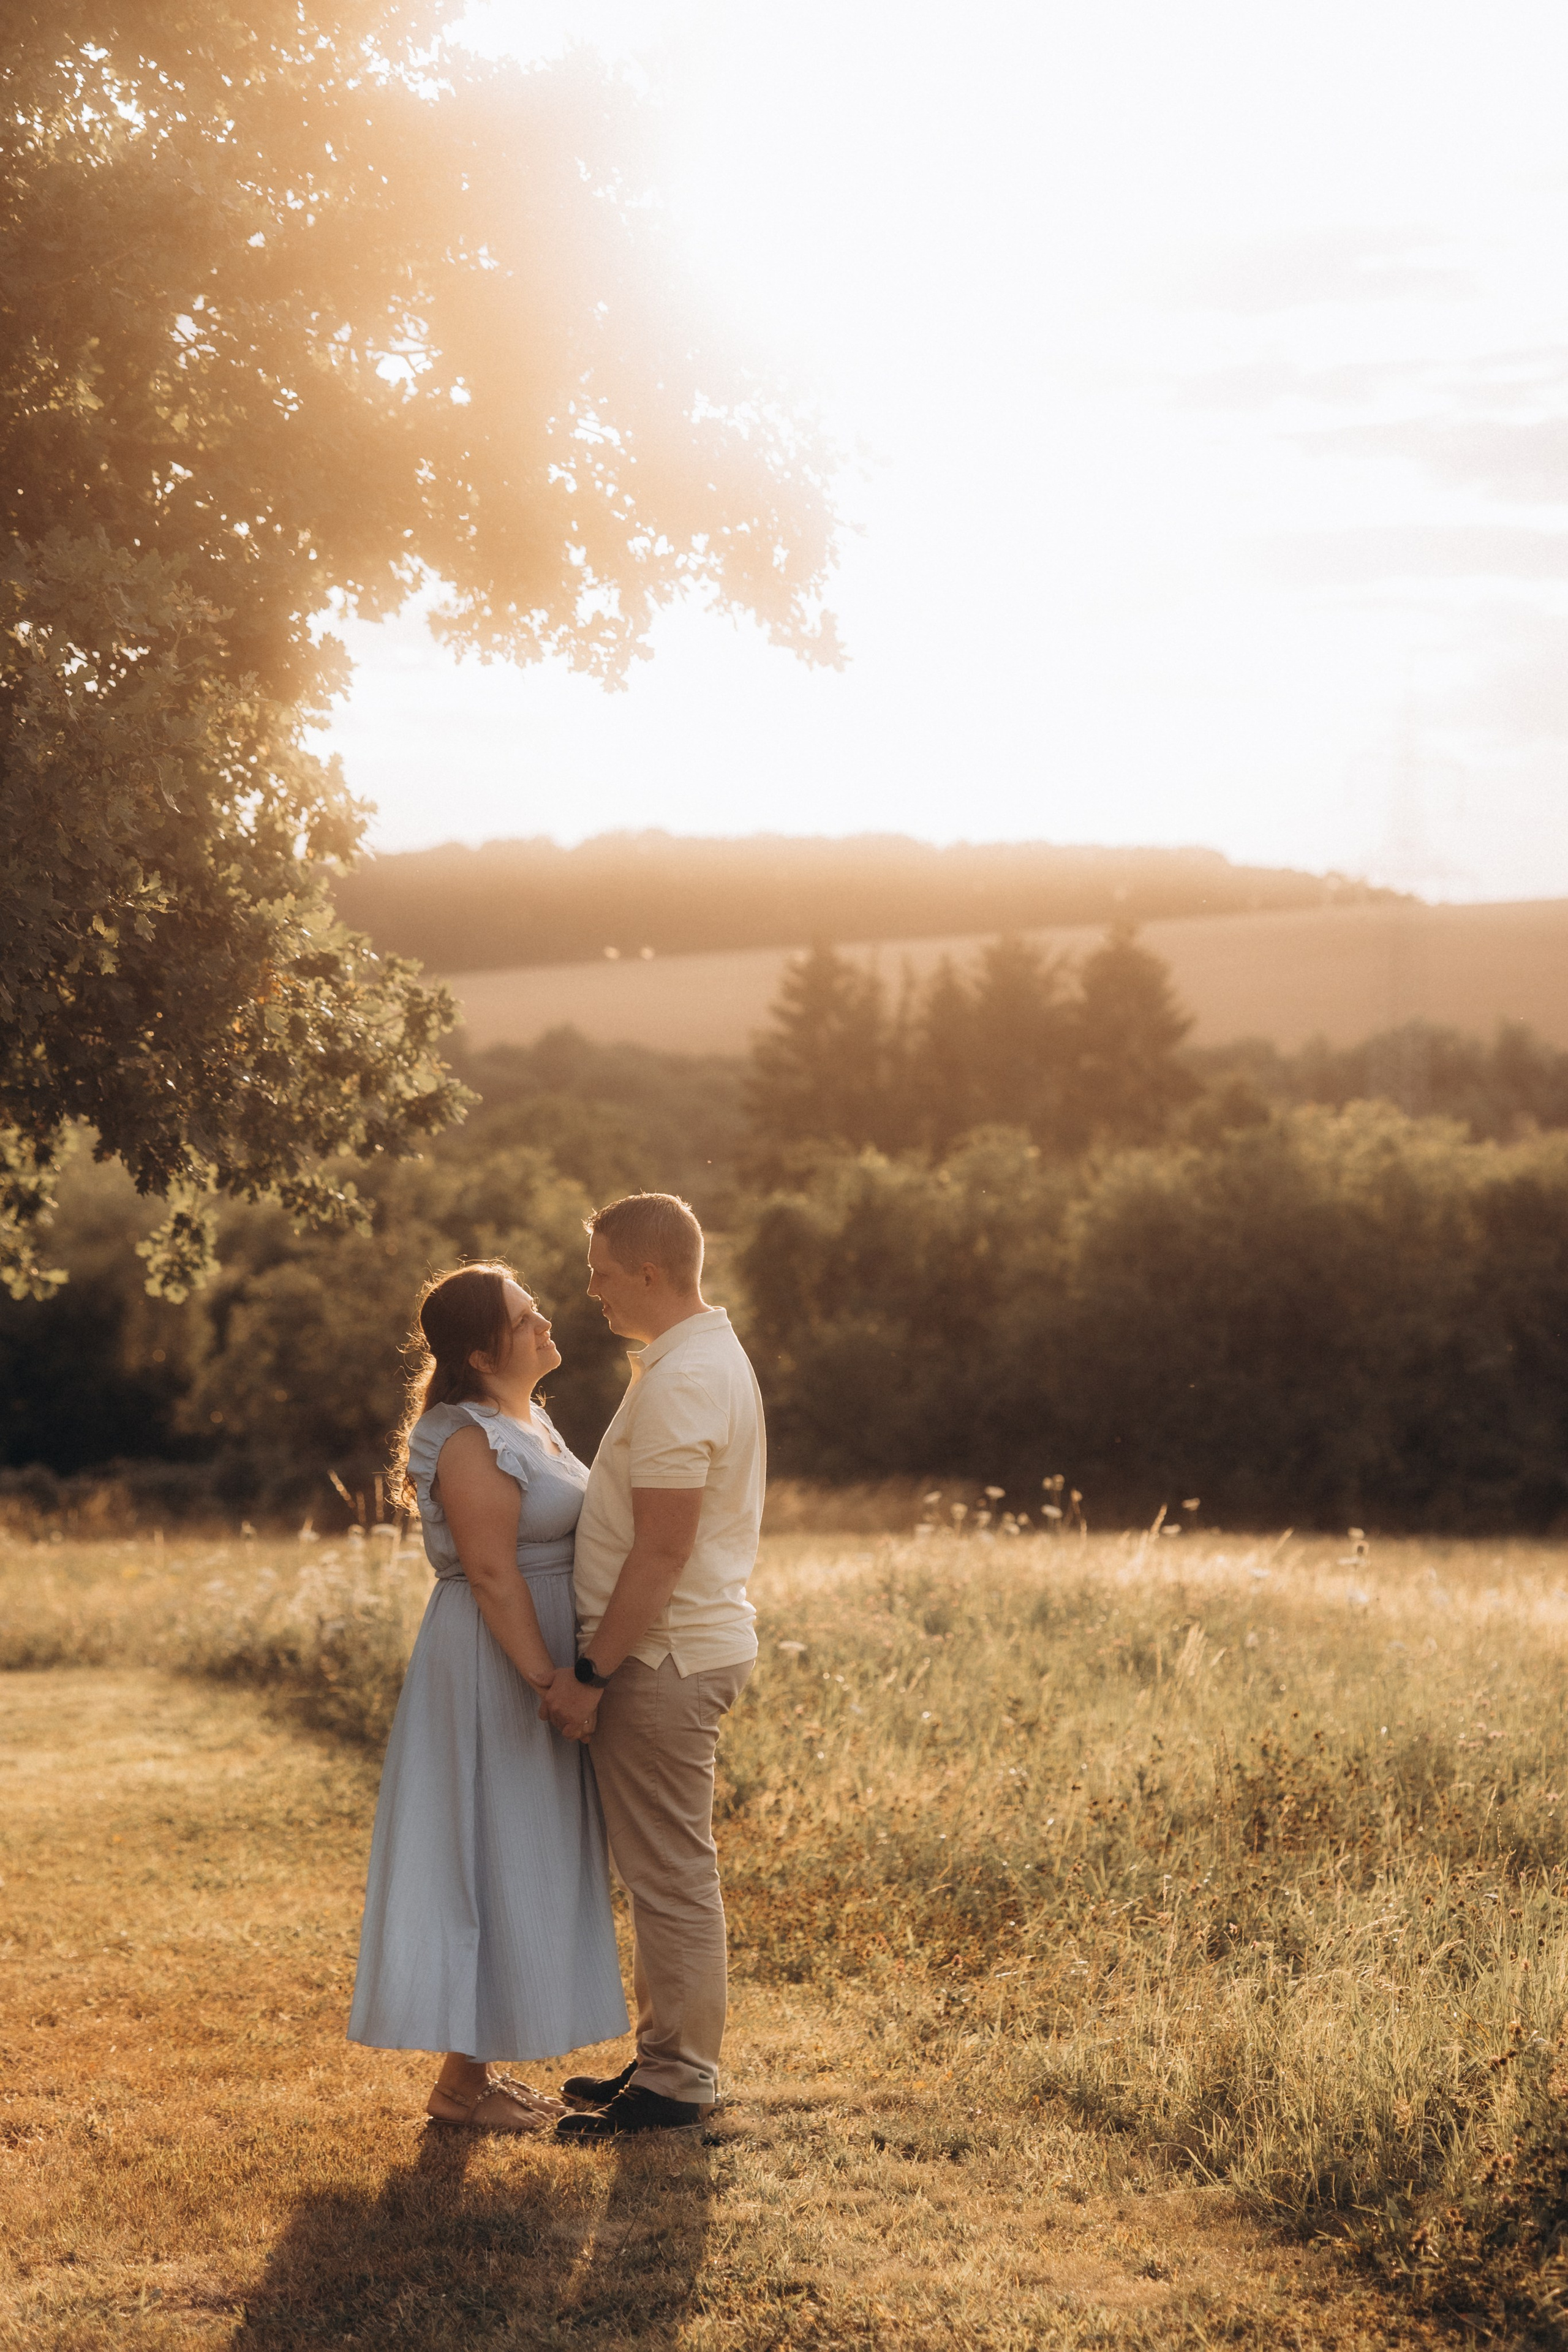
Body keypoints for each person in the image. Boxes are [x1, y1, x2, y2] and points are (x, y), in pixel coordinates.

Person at [347, 1262, 628, 2131]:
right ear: (480, 1349)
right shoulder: (464, 1433)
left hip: (541, 1653)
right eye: (523, 1314)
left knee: (514, 1854)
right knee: (486, 1851)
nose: (546, 1319)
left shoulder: (529, 1419)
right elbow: (492, 1569)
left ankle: (469, 2080)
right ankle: (460, 2089)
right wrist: (549, 1676)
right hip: (496, 1660)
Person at [541, 1192, 765, 2141]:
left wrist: (589, 1674)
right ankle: (670, 2050)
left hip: (663, 1661)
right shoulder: (694, 1358)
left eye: (598, 1272)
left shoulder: (683, 1378)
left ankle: (679, 2082)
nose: (588, 1291)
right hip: (675, 1651)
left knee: (670, 1874)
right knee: (665, 1870)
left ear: (646, 1271)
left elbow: (662, 1552)